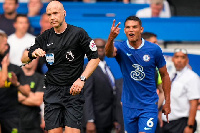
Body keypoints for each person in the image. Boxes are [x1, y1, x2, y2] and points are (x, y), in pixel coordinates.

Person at [21, 1, 100, 133]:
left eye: (55, 13)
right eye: (49, 14)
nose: (52, 17)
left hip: (73, 92)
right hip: (52, 92)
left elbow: (95, 58)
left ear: (64, 13)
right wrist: (32, 53)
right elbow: (23, 58)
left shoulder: (78, 33)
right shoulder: (44, 37)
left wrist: (82, 79)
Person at [105, 16, 171, 133]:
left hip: (149, 105)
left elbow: (165, 75)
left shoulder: (154, 49)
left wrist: (167, 102)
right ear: (124, 30)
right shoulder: (121, 47)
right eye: (128, 27)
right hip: (128, 105)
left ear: (141, 29)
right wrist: (111, 38)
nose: (131, 30)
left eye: (134, 27)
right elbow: (109, 53)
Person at [82, 38, 121, 133]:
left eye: (103, 47)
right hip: (95, 121)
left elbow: (112, 94)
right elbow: (87, 95)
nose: (100, 49)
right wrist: (89, 120)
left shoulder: (107, 67)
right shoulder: (88, 69)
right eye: (96, 47)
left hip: (107, 121)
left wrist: (115, 119)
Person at [161, 48, 200, 133]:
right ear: (172, 59)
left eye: (183, 57)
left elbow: (194, 103)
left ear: (187, 60)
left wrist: (190, 126)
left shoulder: (192, 77)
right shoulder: (171, 75)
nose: (179, 60)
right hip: (166, 123)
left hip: (180, 123)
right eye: (177, 57)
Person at [0, 32, 30, 133]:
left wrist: (16, 84)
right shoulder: (4, 65)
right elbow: (2, 83)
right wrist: (4, 65)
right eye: (4, 43)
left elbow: (27, 92)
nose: (7, 46)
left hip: (11, 114)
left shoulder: (15, 69)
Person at [18, 58, 44, 133]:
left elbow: (38, 101)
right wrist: (30, 95)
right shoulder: (15, 75)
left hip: (34, 125)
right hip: (14, 123)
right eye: (27, 57)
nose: (29, 60)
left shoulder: (41, 78)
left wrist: (19, 95)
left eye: (32, 58)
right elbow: (9, 97)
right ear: (21, 59)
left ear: (36, 61)